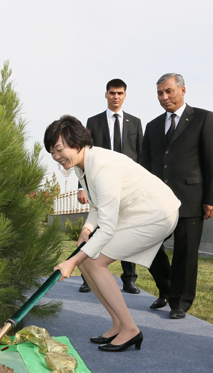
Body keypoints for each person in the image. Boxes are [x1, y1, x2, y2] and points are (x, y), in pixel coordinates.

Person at [45, 115, 180, 352]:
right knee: (87, 263)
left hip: (155, 214)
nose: (56, 157)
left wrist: (71, 261)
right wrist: (86, 231)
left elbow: (107, 227)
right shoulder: (83, 166)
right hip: (136, 213)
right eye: (52, 152)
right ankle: (118, 323)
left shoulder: (102, 166)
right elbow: (97, 206)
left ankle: (130, 329)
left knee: (94, 262)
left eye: (59, 149)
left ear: (76, 142)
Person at [140, 73, 213, 319]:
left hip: (191, 197)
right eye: (160, 93)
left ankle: (180, 302)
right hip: (158, 201)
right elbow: (145, 166)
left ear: (182, 90)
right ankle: (168, 288)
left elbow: (210, 161)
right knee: (147, 244)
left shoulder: (204, 118)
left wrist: (210, 197)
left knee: (186, 251)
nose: (164, 97)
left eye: (169, 91)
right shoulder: (152, 126)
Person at [76, 79, 143, 295]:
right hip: (99, 184)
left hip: (128, 185)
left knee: (128, 229)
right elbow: (83, 155)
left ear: (125, 95)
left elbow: (140, 156)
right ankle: (88, 276)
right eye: (112, 93)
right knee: (96, 227)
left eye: (120, 93)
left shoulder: (135, 122)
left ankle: (129, 279)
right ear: (106, 95)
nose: (116, 96)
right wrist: (81, 186)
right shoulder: (93, 122)